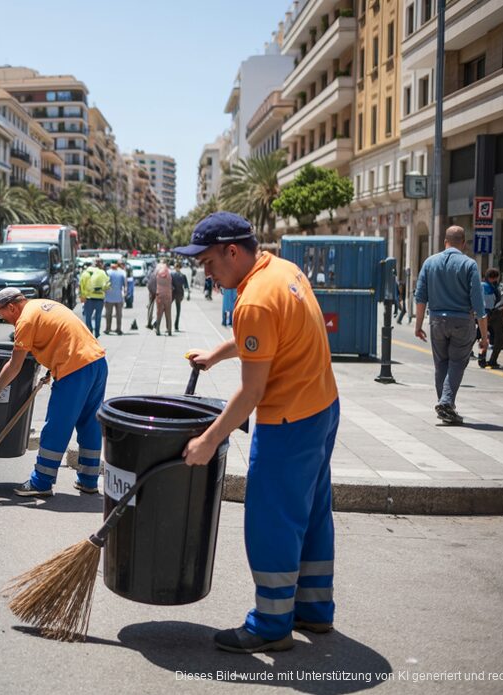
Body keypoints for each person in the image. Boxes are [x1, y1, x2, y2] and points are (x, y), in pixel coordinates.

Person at [174, 211, 340, 654]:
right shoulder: (282, 270)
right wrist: (216, 354)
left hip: (287, 422)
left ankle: (270, 624)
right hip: (322, 407)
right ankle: (314, 610)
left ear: (232, 250)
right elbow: (267, 340)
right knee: (312, 512)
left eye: (208, 262)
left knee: (272, 521)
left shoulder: (252, 301)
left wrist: (208, 440)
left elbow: (251, 393)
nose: (206, 273)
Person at [0, 288, 107, 497]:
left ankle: (41, 482)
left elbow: (14, 365)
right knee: (89, 423)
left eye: (2, 314)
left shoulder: (25, 320)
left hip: (74, 369)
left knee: (57, 425)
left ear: (12, 307)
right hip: (96, 362)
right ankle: (88, 480)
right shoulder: (42, 305)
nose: (4, 320)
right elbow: (62, 335)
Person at [413, 226, 488, 426]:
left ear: (445, 242)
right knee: (456, 363)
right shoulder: (469, 264)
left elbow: (420, 297)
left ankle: (446, 406)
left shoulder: (430, 262)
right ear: (463, 243)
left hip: (437, 321)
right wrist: (484, 335)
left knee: (441, 365)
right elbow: (478, 303)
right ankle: (446, 402)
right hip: (463, 322)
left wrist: (418, 325)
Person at [478, 268, 503, 369]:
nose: (494, 279)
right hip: (492, 314)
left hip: (486, 314)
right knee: (494, 338)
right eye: (493, 278)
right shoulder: (488, 287)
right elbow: (489, 303)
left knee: (485, 337)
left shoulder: (487, 286)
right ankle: (487, 360)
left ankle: (485, 359)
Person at [79, 260, 108, 338]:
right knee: (98, 316)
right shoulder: (102, 273)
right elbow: (107, 285)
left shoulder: (85, 274)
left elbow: (81, 286)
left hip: (89, 299)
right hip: (100, 298)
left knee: (88, 316)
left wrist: (82, 297)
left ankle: (90, 331)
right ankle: (97, 333)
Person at [104, 261, 126, 334]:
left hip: (109, 296)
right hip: (119, 296)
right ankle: (118, 329)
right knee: (119, 314)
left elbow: (105, 284)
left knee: (108, 314)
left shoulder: (107, 272)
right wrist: (125, 293)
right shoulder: (122, 272)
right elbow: (125, 284)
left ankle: (108, 328)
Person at [152, 262, 174, 335]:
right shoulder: (169, 273)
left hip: (159, 295)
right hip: (168, 295)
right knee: (168, 313)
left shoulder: (157, 273)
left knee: (159, 313)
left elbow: (152, 283)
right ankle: (169, 330)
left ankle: (158, 329)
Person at [171, 262, 188, 331]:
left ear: (175, 267)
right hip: (179, 294)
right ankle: (176, 326)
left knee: (166, 309)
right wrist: (187, 295)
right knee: (178, 311)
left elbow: (170, 284)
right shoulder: (183, 275)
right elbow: (186, 286)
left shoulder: (171, 274)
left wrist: (172, 288)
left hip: (172, 293)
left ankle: (162, 323)